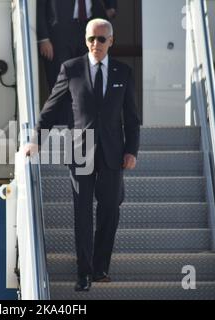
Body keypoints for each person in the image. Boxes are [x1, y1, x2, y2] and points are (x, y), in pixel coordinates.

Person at [25, 18, 140, 292]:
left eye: (101, 39)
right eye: (91, 39)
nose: (95, 44)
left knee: (110, 209)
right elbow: (51, 108)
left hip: (113, 152)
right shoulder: (71, 69)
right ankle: (84, 273)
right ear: (85, 40)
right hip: (81, 150)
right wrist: (36, 140)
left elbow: (132, 118)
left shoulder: (123, 72)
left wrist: (131, 150)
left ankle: (101, 268)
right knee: (83, 212)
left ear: (111, 41)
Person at [37, 0, 116, 91]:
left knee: (89, 76)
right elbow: (40, 5)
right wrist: (44, 38)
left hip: (90, 26)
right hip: (60, 31)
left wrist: (111, 6)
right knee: (60, 78)